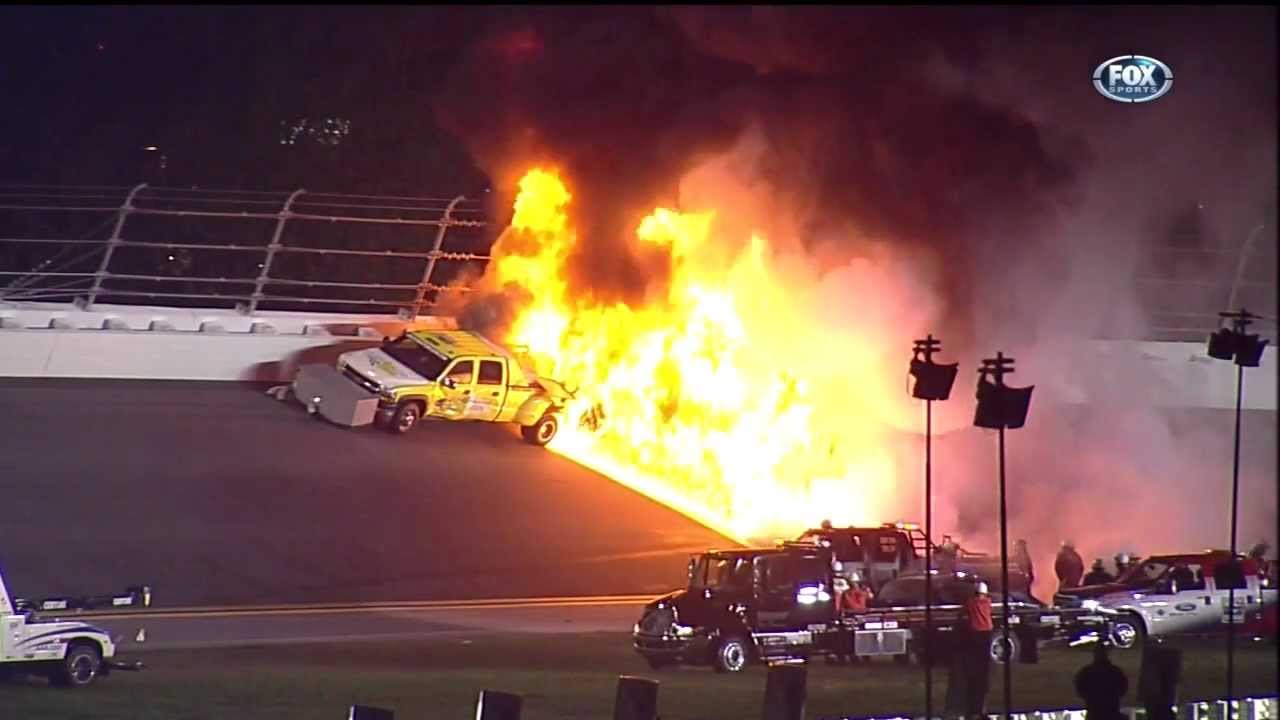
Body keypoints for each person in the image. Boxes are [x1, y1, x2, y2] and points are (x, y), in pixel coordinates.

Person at [963, 581, 995, 720]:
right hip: (986, 633)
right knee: (984, 662)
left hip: (975, 633)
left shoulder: (971, 602)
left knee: (975, 660)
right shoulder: (987, 602)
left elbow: (965, 610)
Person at [1075, 641, 1129, 720]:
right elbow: (1123, 688)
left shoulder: (1087, 672)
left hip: (1094, 711)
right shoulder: (1114, 671)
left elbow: (1080, 689)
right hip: (1111, 710)